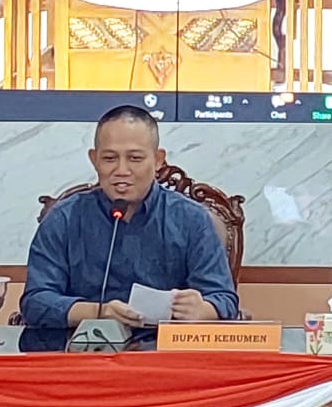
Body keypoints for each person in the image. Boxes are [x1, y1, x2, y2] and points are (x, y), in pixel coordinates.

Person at [19, 105, 240, 328]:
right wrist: (98, 312)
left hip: (163, 346)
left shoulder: (191, 219)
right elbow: (36, 301)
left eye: (135, 158)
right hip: (84, 345)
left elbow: (224, 299)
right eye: (109, 158)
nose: (122, 170)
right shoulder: (64, 218)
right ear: (94, 160)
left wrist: (202, 309)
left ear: (158, 160)